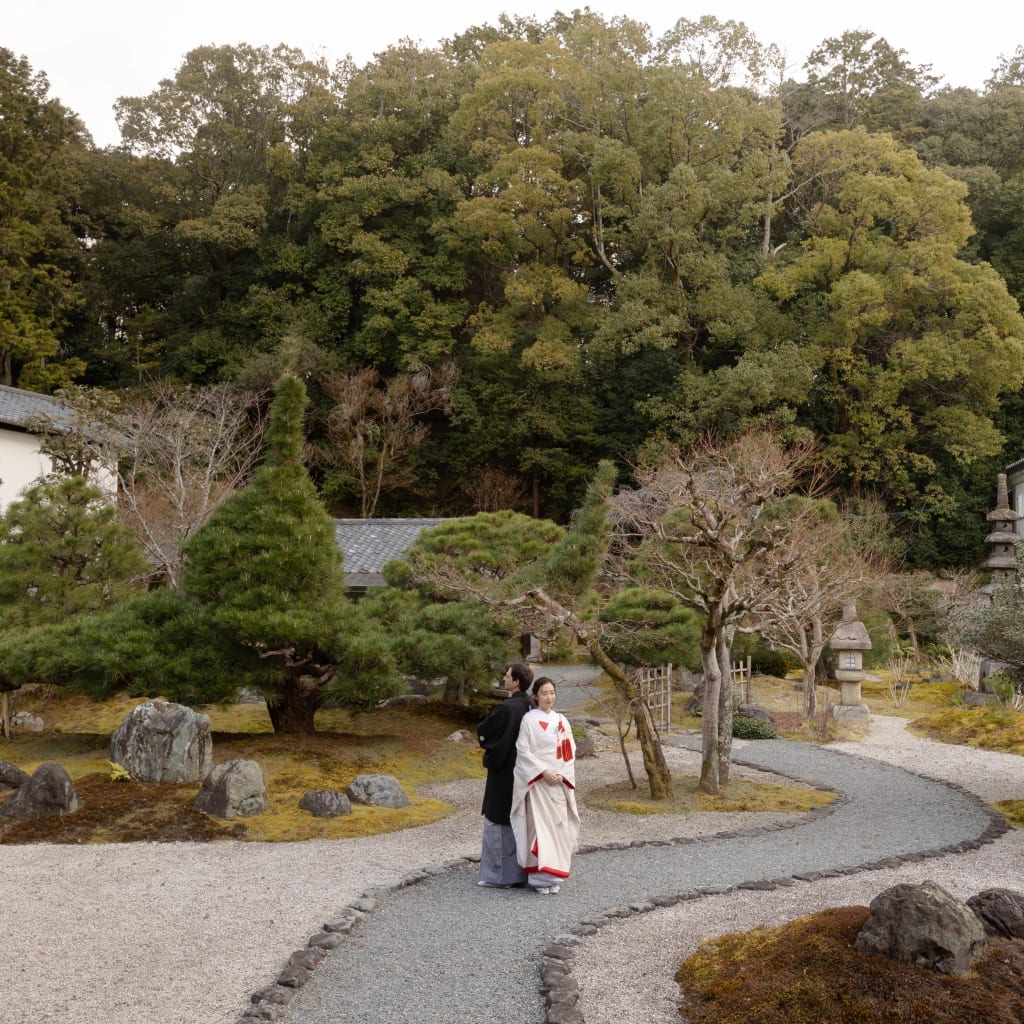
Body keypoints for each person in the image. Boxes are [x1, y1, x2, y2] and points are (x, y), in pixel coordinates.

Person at [510, 677, 580, 895]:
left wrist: (561, 774)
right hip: (539, 783)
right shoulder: (529, 720)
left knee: (559, 828)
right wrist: (543, 771)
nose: (549, 697)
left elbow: (570, 752)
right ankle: (540, 878)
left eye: (552, 693)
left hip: (558, 782)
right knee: (539, 829)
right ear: (536, 696)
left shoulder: (562, 720)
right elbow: (523, 750)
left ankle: (555, 875)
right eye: (544, 693)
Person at [476, 662, 534, 888]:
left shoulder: (507, 708)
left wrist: (489, 756)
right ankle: (522, 871)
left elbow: (485, 732)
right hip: (526, 771)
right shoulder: (531, 706)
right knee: (521, 818)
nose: (504, 678)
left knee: (498, 818)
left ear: (517, 681)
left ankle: (499, 876)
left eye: (507, 675)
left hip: (504, 770)